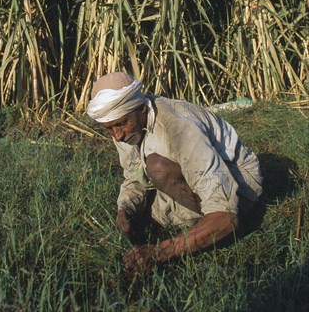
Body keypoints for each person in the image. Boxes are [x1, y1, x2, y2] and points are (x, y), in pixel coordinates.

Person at [87, 72, 263, 275]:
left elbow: (225, 215)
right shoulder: (123, 127)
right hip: (190, 174)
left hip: (239, 182)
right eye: (108, 129)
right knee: (135, 218)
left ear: (142, 108)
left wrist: (160, 252)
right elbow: (134, 175)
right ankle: (203, 226)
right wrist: (124, 210)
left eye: (121, 124)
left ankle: (228, 228)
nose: (117, 135)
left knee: (158, 169)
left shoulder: (179, 128)